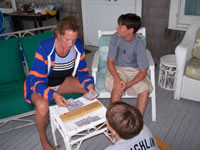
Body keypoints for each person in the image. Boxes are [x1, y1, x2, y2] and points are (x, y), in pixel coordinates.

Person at [24, 16, 96, 150]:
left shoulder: (77, 46)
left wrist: (90, 85)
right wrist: (54, 95)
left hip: (61, 82)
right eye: (67, 39)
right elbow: (35, 80)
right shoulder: (45, 47)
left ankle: (88, 122)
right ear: (58, 34)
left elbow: (82, 72)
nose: (71, 44)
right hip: (40, 85)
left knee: (88, 89)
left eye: (74, 40)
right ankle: (43, 139)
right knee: (42, 105)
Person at [104, 13, 153, 116]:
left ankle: (137, 122)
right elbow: (110, 62)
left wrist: (127, 85)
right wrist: (117, 79)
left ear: (130, 30)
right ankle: (113, 121)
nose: (117, 28)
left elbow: (143, 72)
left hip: (133, 70)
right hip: (116, 68)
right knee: (117, 87)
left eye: (121, 26)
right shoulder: (115, 38)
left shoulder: (139, 43)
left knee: (144, 90)